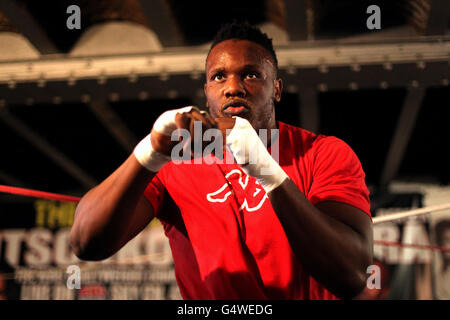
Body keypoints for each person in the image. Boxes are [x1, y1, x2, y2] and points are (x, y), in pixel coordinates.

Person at [70, 21, 373, 300]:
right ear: (207, 93)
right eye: (218, 77)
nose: (233, 87)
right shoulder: (176, 164)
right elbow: (86, 243)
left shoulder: (323, 153)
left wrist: (268, 172)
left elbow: (352, 276)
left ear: (277, 89)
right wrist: (148, 152)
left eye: (251, 74)